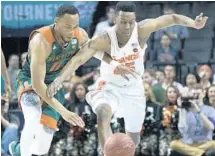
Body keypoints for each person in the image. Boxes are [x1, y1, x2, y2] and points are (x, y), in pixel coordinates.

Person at [46, 2, 208, 151]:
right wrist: (59, 80)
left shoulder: (142, 29)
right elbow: (77, 59)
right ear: (115, 19)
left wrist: (193, 23)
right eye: (123, 21)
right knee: (103, 113)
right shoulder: (105, 38)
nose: (128, 26)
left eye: (131, 21)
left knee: (134, 141)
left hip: (134, 89)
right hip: (109, 87)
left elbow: (171, 18)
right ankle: (107, 153)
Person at [9, 5, 88, 156]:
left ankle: (18, 150)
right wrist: (64, 111)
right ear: (56, 22)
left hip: (54, 86)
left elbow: (95, 49)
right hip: (32, 82)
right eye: (67, 27)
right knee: (32, 118)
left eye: (75, 26)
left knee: (42, 148)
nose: (72, 31)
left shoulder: (80, 35)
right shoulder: (41, 40)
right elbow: (38, 85)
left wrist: (114, 62)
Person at [170, 84, 215, 156]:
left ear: (203, 94)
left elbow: (211, 127)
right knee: (173, 144)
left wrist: (198, 112)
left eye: (198, 94)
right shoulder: (185, 110)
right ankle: (200, 153)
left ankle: (195, 152)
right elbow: (183, 130)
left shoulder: (210, 109)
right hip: (188, 143)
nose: (195, 97)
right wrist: (181, 109)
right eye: (193, 94)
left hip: (205, 143)